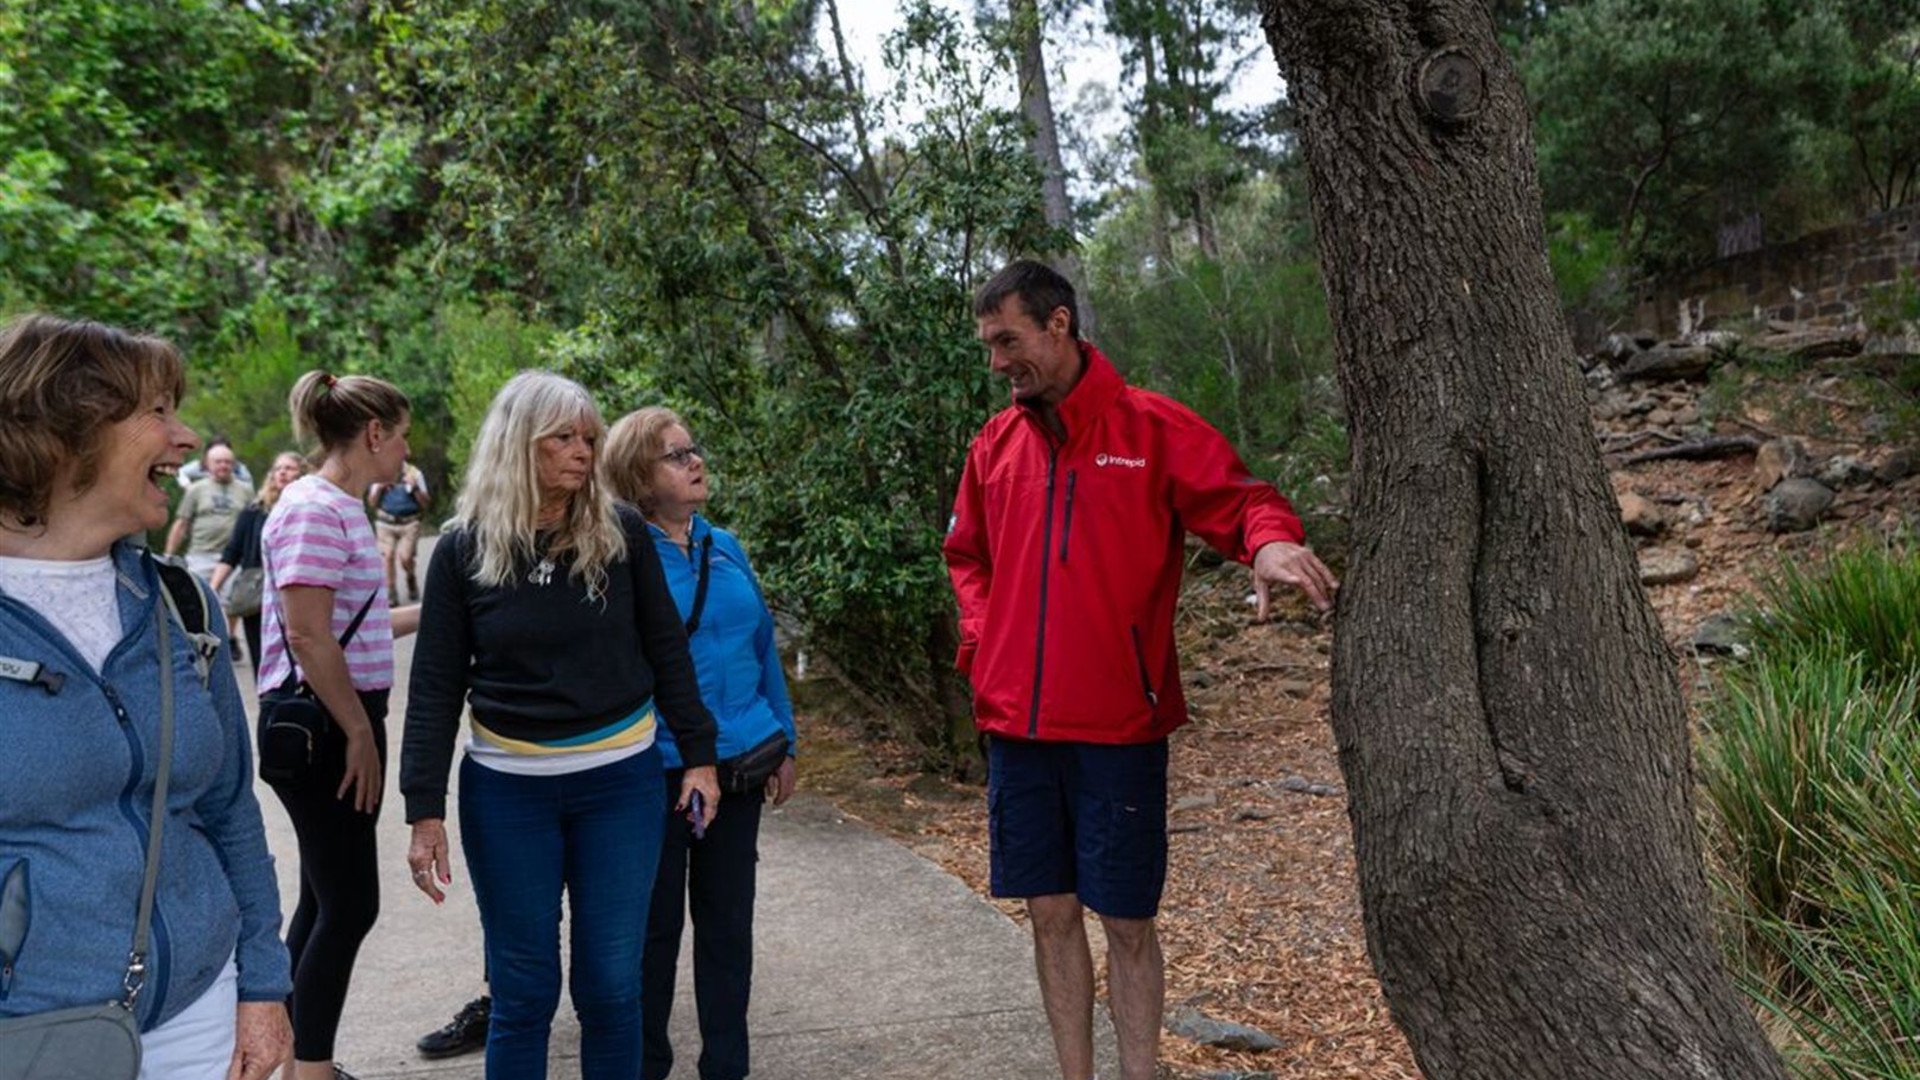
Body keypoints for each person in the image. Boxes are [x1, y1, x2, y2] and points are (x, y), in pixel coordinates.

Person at [944, 261, 1339, 1080]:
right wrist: (985, 647)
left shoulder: (1149, 428)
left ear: (1059, 326)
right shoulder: (995, 445)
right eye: (988, 345)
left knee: (1125, 921)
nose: (996, 364)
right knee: (1049, 911)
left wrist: (1268, 541)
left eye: (1007, 341)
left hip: (1119, 724)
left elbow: (1240, 499)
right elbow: (966, 556)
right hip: (1015, 725)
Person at [401, 371, 721, 1080]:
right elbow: (434, 686)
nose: (584, 452)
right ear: (520, 444)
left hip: (620, 786)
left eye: (590, 437)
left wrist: (699, 756)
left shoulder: (621, 532)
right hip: (509, 794)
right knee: (523, 992)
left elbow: (666, 649)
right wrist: (423, 808)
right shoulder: (463, 551)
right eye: (564, 439)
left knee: (611, 986)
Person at [0, 314, 292, 1079]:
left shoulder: (179, 602)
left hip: (203, 1011)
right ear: (67, 429)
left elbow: (229, 808)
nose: (186, 438)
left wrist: (263, 985)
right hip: (32, 1034)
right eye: (156, 412)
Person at [603, 407, 798, 1080]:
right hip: (656, 776)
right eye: (675, 455)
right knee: (651, 937)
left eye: (694, 450)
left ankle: (727, 1067)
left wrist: (786, 739)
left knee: (726, 931)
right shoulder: (619, 556)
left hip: (737, 769)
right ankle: (645, 1066)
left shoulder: (725, 545)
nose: (695, 462)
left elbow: (761, 643)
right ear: (635, 474)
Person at [258, 370, 422, 1080]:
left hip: (340, 717)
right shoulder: (313, 508)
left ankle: (289, 1056)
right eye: (403, 434)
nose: (406, 451)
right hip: (324, 727)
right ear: (375, 434)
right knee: (351, 905)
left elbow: (354, 628)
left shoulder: (341, 507)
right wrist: (357, 731)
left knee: (327, 898)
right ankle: (312, 1070)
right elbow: (307, 636)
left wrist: (441, 608)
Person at [211, 451, 306, 679]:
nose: (282, 472)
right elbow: (232, 553)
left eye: (290, 468)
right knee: (262, 660)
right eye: (278, 468)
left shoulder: (308, 510)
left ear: (303, 474)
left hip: (297, 593)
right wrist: (213, 587)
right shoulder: (254, 512)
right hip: (257, 595)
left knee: (297, 656)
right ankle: (269, 707)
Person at [166, 441, 253, 584]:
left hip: (233, 559)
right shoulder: (196, 489)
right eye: (218, 462)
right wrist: (169, 556)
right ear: (207, 464)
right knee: (198, 601)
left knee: (228, 604)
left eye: (227, 462)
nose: (223, 466)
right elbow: (181, 524)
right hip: (201, 556)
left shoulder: (246, 490)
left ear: (234, 464)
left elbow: (252, 526)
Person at [368, 454, 430, 605]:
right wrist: (381, 487)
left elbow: (426, 503)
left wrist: (415, 488)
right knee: (387, 556)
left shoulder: (415, 474)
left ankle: (410, 576)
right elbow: (372, 502)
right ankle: (391, 593)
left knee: (405, 557)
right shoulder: (379, 473)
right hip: (385, 522)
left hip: (409, 523)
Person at [177, 436, 255, 489]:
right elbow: (180, 472)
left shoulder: (239, 469)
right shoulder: (200, 466)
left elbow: (249, 487)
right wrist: (188, 487)